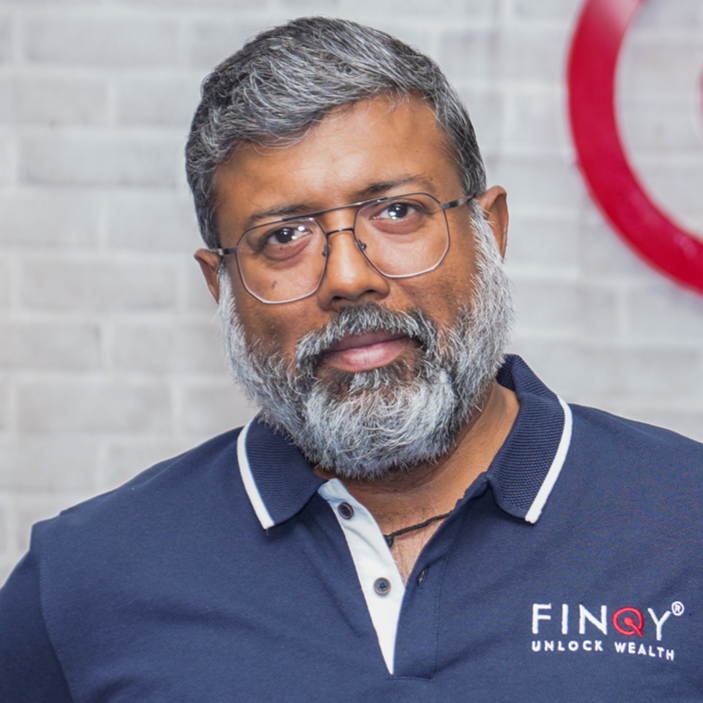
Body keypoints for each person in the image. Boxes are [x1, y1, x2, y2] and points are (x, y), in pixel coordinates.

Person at [1, 16, 702, 702]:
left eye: (396, 212)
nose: (347, 277)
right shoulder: (83, 579)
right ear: (221, 288)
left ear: (489, 230)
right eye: (283, 236)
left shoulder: (684, 519)